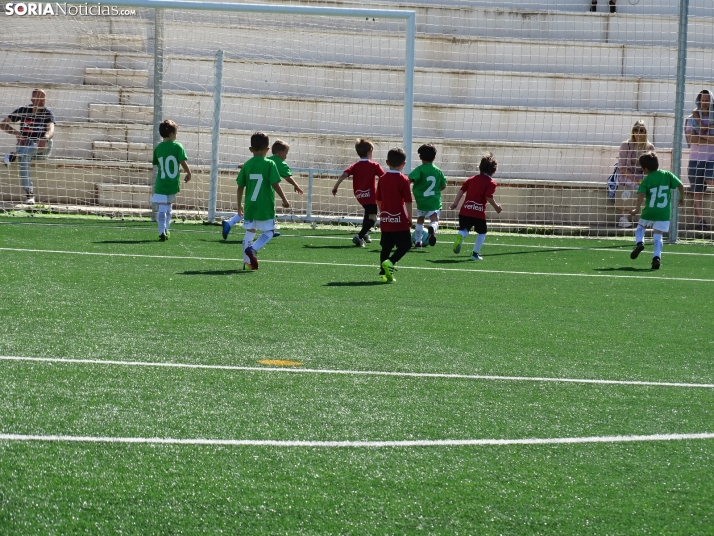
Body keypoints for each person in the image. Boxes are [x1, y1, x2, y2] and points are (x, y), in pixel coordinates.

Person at [221, 139, 302, 240]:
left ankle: (231, 223)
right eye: (286, 153)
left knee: (251, 210)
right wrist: (296, 185)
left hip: (252, 195)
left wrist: (244, 165)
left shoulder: (267, 159)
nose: (286, 156)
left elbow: (255, 163)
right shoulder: (278, 163)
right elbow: (287, 177)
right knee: (264, 209)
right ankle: (268, 231)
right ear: (281, 152)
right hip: (263, 195)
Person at [236, 132, 290, 270]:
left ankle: (248, 262)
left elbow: (240, 187)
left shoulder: (246, 165)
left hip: (250, 206)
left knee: (250, 231)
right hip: (264, 206)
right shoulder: (270, 163)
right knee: (270, 231)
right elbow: (275, 184)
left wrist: (239, 206)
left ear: (251, 149)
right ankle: (253, 249)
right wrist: (284, 199)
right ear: (267, 150)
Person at [630, 151, 683, 270]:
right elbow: (681, 185)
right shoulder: (667, 175)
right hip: (663, 213)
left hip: (650, 211)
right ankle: (656, 258)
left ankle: (639, 243)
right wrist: (682, 198)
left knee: (640, 228)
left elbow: (641, 195)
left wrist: (637, 208)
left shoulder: (647, 179)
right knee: (658, 235)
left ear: (646, 169)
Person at [1, 89, 55, 204]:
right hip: (26, 147)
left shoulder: (47, 113)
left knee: (47, 142)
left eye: (44, 99)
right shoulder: (23, 110)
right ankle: (29, 194)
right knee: (24, 157)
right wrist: (17, 134)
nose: (42, 102)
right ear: (32, 100)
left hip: (42, 149)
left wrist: (44, 138)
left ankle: (13, 155)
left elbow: (51, 130)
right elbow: (2, 124)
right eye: (39, 99)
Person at [332, 138, 385, 247]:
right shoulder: (374, 165)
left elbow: (344, 174)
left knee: (367, 213)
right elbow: (383, 178)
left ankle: (364, 234)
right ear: (370, 151)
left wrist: (335, 186)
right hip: (370, 195)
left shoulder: (355, 166)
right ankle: (359, 236)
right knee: (373, 218)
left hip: (360, 195)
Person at [449, 152, 502, 261]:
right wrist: (496, 207)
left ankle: (461, 234)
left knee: (464, 229)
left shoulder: (471, 179)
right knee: (482, 232)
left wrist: (455, 203)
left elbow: (461, 190)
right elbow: (488, 196)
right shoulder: (491, 183)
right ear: (494, 170)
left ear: (480, 167)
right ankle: (474, 254)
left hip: (465, 211)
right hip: (478, 213)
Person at [376, 147, 412, 283]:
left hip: (386, 218)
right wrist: (409, 217)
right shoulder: (404, 180)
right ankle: (391, 262)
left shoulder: (382, 179)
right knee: (406, 244)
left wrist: (383, 213)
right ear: (404, 164)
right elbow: (408, 201)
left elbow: (378, 199)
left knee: (386, 246)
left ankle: (383, 274)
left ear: (387, 162)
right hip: (399, 219)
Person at [151, 119, 192, 241]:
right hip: (172, 183)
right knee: (168, 206)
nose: (176, 135)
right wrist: (189, 172)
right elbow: (182, 161)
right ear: (171, 134)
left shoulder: (158, 148)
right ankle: (165, 230)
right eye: (176, 133)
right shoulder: (177, 146)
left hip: (161, 183)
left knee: (163, 207)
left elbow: (156, 163)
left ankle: (162, 230)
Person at [615, 120, 656, 228]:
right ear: (633, 131)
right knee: (637, 187)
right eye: (636, 130)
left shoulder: (649, 147)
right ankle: (623, 217)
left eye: (641, 130)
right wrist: (635, 179)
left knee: (653, 188)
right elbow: (622, 167)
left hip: (643, 177)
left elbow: (652, 168)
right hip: (627, 175)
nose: (638, 133)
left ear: (645, 132)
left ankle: (649, 217)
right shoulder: (626, 145)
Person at [684, 89, 714, 231]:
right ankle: (701, 221)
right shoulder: (691, 118)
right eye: (702, 100)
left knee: (710, 179)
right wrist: (709, 136)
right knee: (697, 192)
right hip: (695, 160)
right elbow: (692, 139)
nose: (705, 103)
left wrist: (702, 135)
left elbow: (698, 138)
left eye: (707, 100)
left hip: (711, 159)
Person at [408, 143, 447, 248]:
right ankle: (432, 229)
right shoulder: (438, 171)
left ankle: (418, 241)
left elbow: (409, 180)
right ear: (434, 157)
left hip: (421, 201)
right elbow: (443, 185)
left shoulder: (419, 169)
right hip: (434, 201)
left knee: (420, 219)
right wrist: (436, 189)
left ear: (420, 157)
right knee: (434, 219)